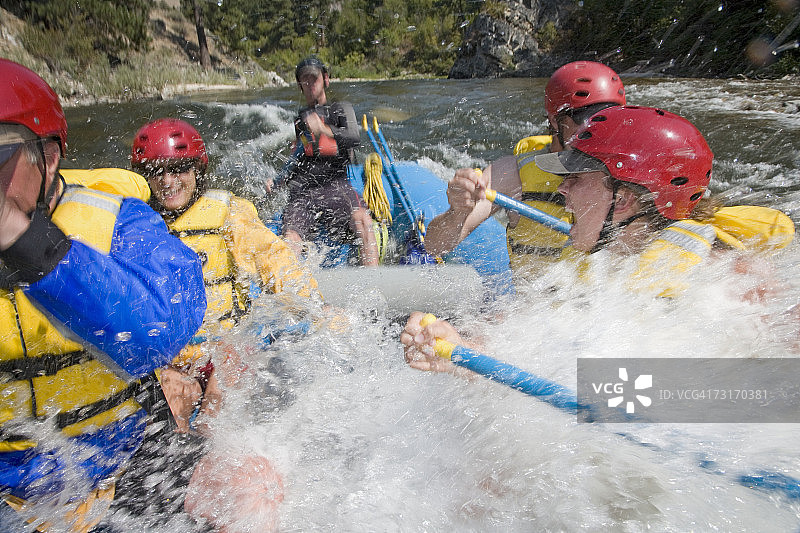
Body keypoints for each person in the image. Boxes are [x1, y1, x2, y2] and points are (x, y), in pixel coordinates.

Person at [402, 105, 794, 372]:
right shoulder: (607, 262)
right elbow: (552, 334)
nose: (564, 192)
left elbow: (753, 399)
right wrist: (465, 344)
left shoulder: (734, 281)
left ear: (622, 201)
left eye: (577, 180)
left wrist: (476, 360)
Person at [0, 59, 207, 531]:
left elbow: (163, 326)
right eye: (159, 172)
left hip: (119, 468)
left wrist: (31, 246)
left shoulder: (119, 221)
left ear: (48, 159)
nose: (168, 182)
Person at [130, 117, 321, 431]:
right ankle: (183, 455)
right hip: (176, 360)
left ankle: (211, 441)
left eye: (178, 169)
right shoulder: (137, 226)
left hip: (228, 346)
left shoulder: (229, 213)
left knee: (218, 399)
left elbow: (272, 259)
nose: (167, 181)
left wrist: (312, 304)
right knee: (170, 411)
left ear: (198, 170)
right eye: (156, 171)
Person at [422, 61, 626, 275]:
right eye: (587, 118)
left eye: (610, 119)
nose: (598, 129)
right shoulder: (513, 174)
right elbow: (434, 246)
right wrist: (457, 213)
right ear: (555, 121)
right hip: (536, 305)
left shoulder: (629, 176)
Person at [268, 56, 379, 267]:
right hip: (304, 190)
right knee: (291, 237)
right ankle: (291, 295)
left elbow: (354, 138)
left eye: (314, 78)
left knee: (363, 219)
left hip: (336, 185)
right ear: (300, 86)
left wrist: (322, 130)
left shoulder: (340, 109)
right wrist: (278, 180)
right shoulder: (301, 119)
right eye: (304, 80)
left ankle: (374, 283)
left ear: (326, 79)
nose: (310, 84)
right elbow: (299, 156)